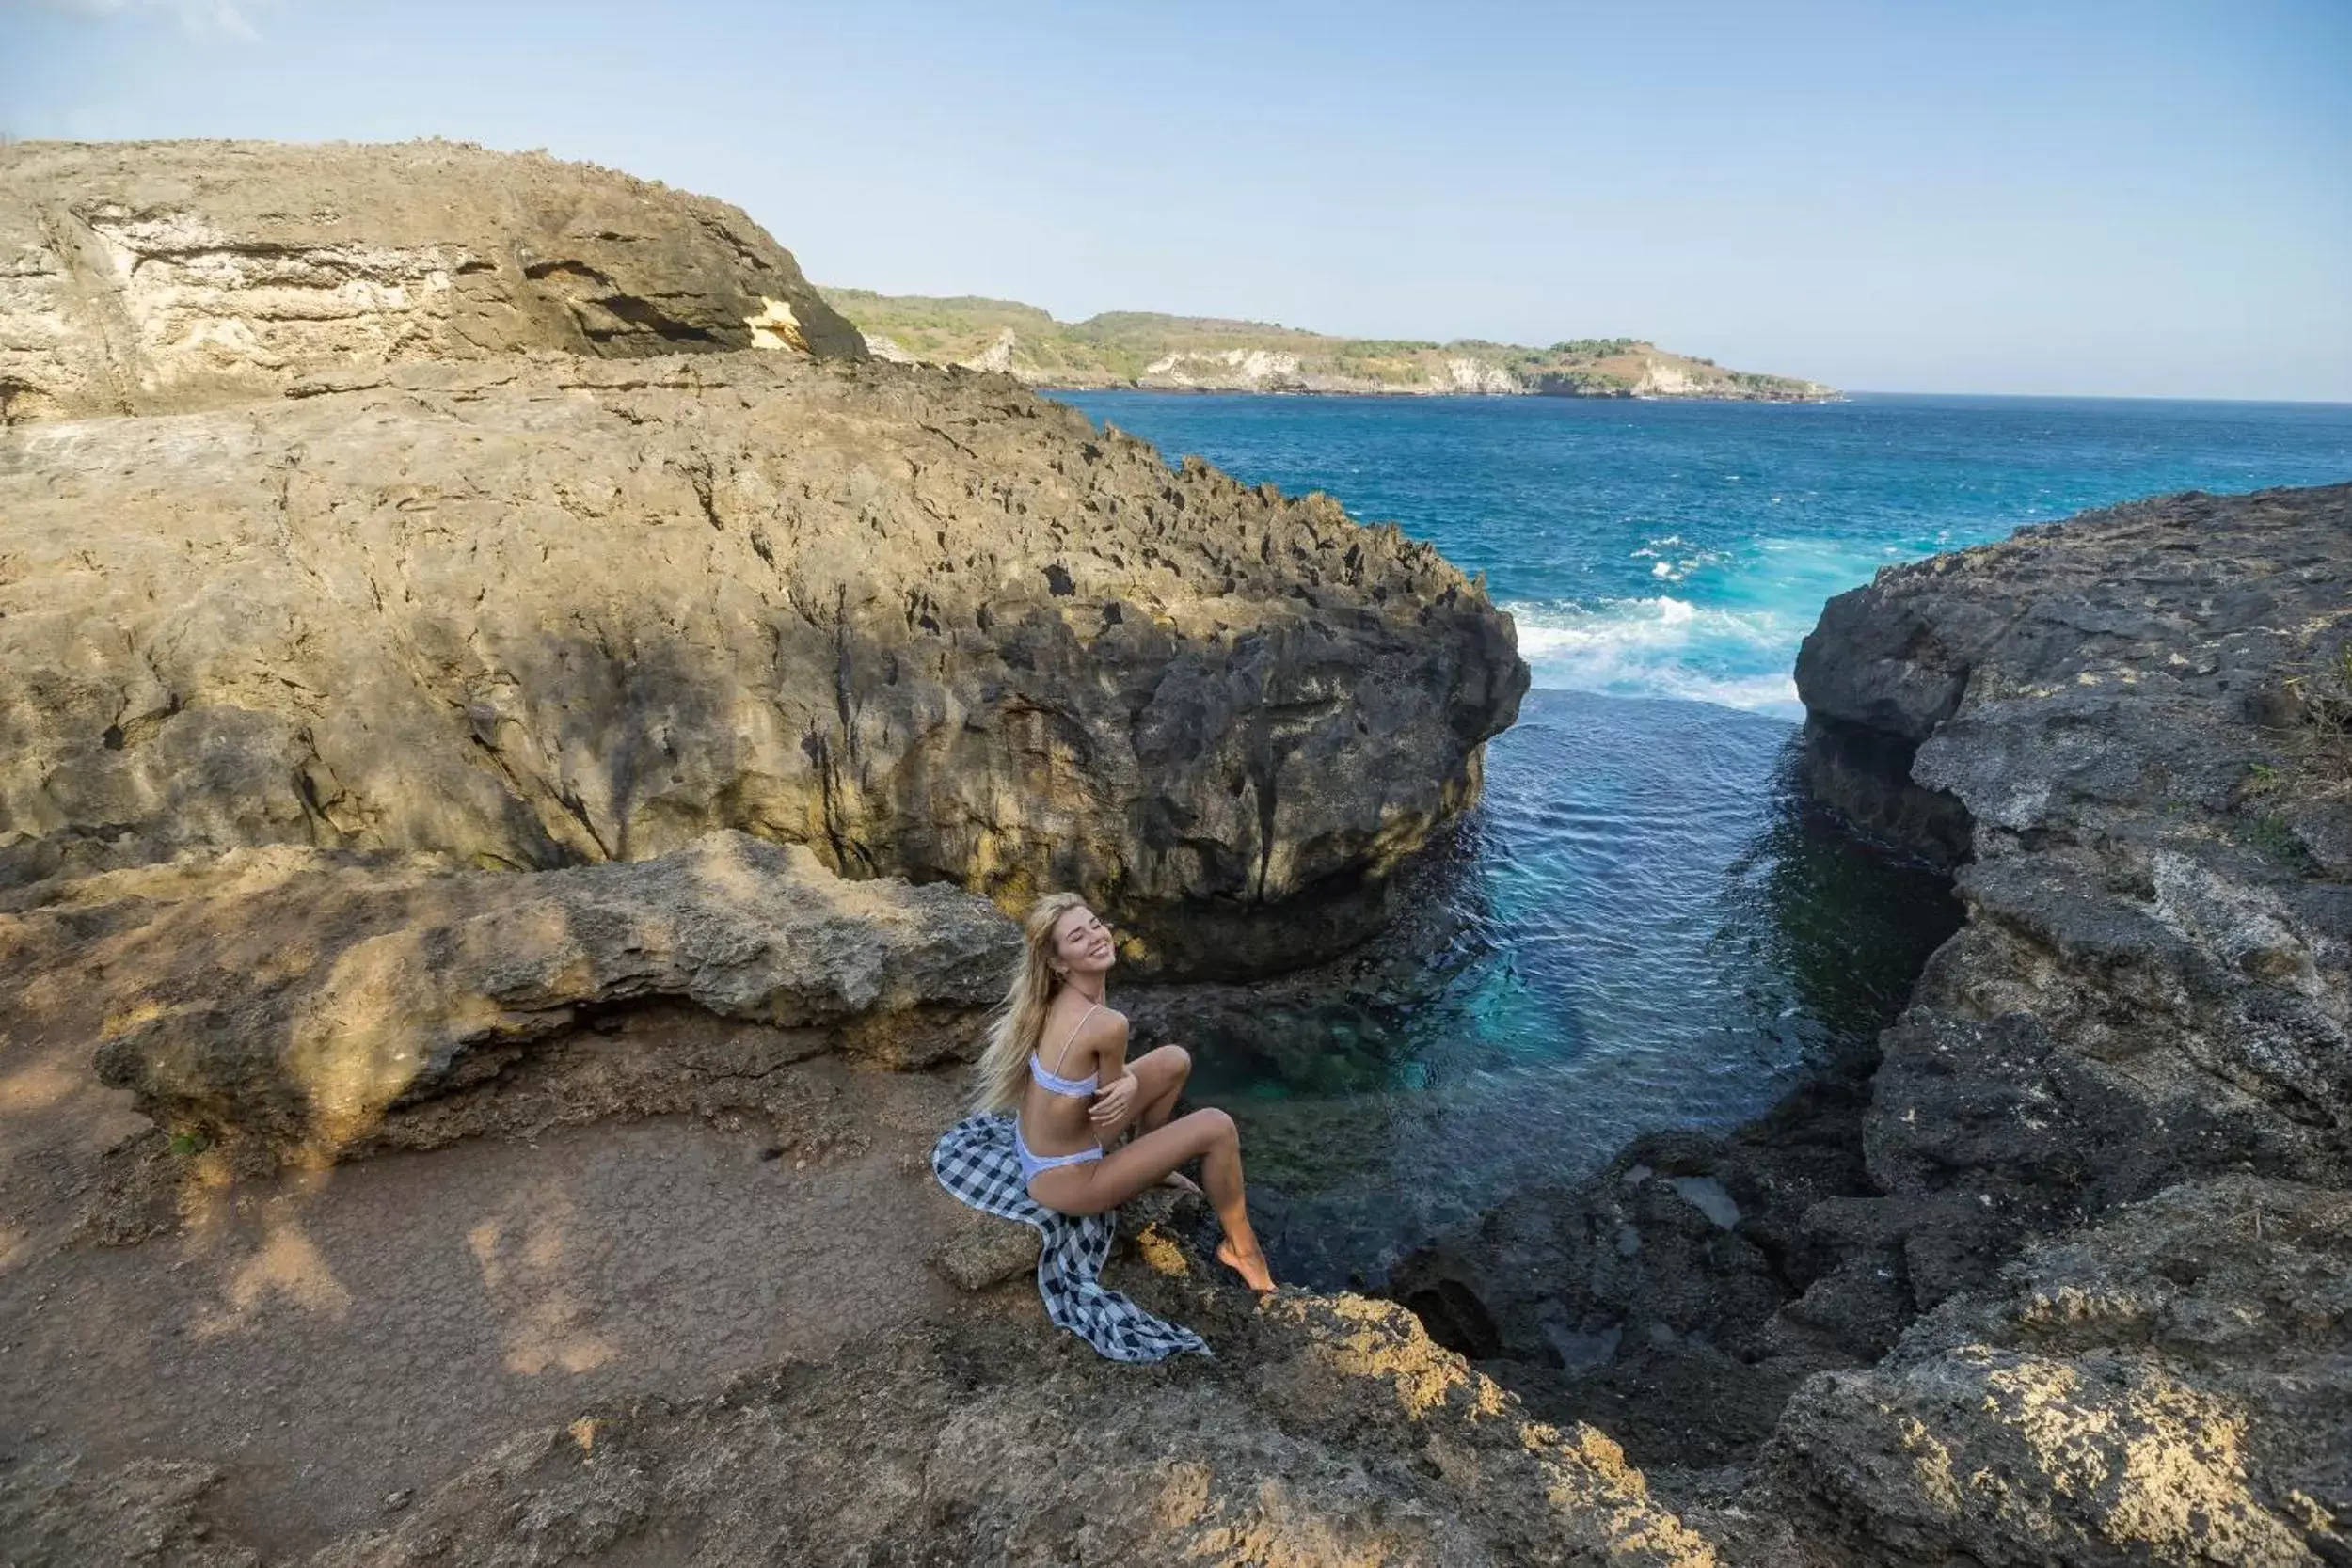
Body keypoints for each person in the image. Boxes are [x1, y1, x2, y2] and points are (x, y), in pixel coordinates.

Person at [971, 892, 1275, 1293]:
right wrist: (1128, 1083)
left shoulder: (1060, 998)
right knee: (1218, 1127)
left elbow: (1103, 1096)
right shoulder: (1105, 1024)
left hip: (1043, 1149)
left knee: (1174, 1059)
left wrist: (1127, 1084)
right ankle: (1242, 1250)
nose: (1097, 936)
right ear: (1059, 963)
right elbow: (1108, 1108)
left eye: (1095, 924)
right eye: (1078, 937)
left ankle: (1155, 1165)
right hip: (1068, 1179)